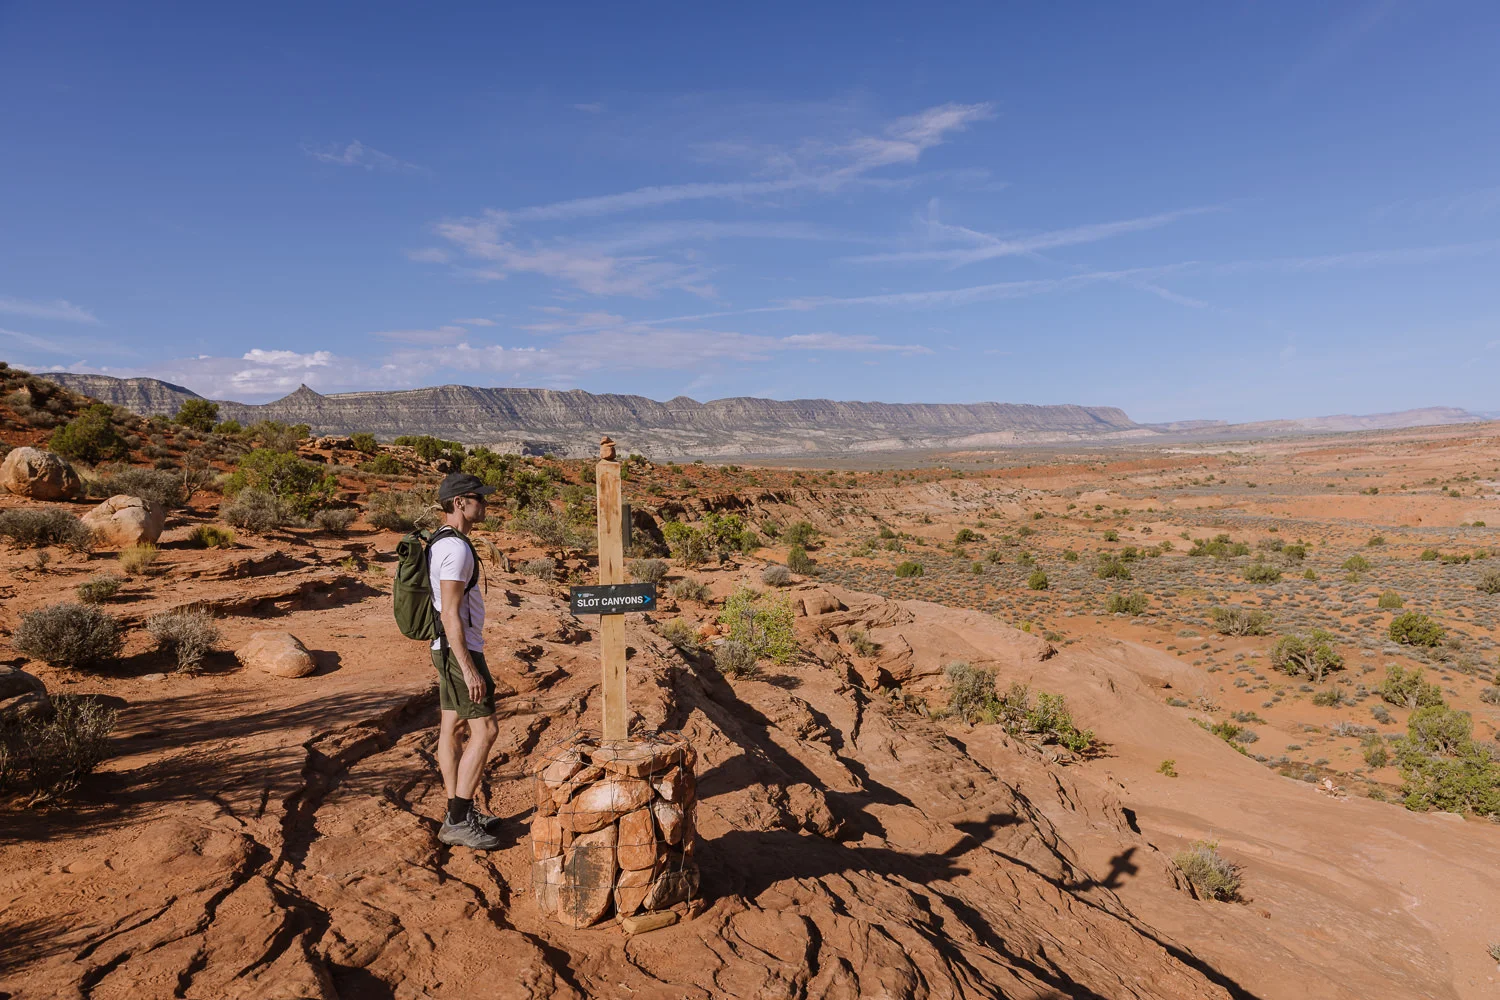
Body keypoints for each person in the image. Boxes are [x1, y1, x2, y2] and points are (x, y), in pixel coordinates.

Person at [429, 471, 502, 849]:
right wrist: (469, 667)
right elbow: (450, 614)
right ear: (460, 503)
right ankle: (458, 819)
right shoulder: (456, 549)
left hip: (447, 649)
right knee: (486, 730)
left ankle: (457, 810)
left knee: (451, 725)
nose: (485, 504)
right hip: (460, 649)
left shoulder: (443, 542)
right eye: (480, 498)